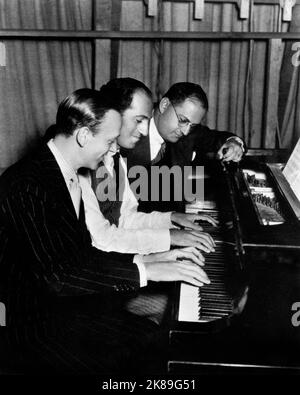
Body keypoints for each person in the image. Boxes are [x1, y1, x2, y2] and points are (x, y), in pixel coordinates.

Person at [0, 88, 210, 374]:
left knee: (156, 341)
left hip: (62, 310)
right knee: (140, 355)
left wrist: (154, 261)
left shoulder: (66, 170)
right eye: (110, 141)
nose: (113, 150)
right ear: (84, 136)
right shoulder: (27, 185)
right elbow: (59, 277)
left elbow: (84, 251)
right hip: (27, 327)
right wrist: (148, 271)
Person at [79, 78, 217, 256]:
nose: (145, 131)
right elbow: (101, 238)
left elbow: (126, 218)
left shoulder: (116, 158)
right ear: (111, 114)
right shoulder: (83, 164)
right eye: (139, 120)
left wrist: (171, 218)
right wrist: (168, 239)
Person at [121, 81, 245, 212]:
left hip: (169, 222)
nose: (185, 131)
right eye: (183, 120)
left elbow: (215, 138)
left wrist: (234, 143)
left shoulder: (188, 133)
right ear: (164, 105)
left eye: (192, 126)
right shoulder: (127, 130)